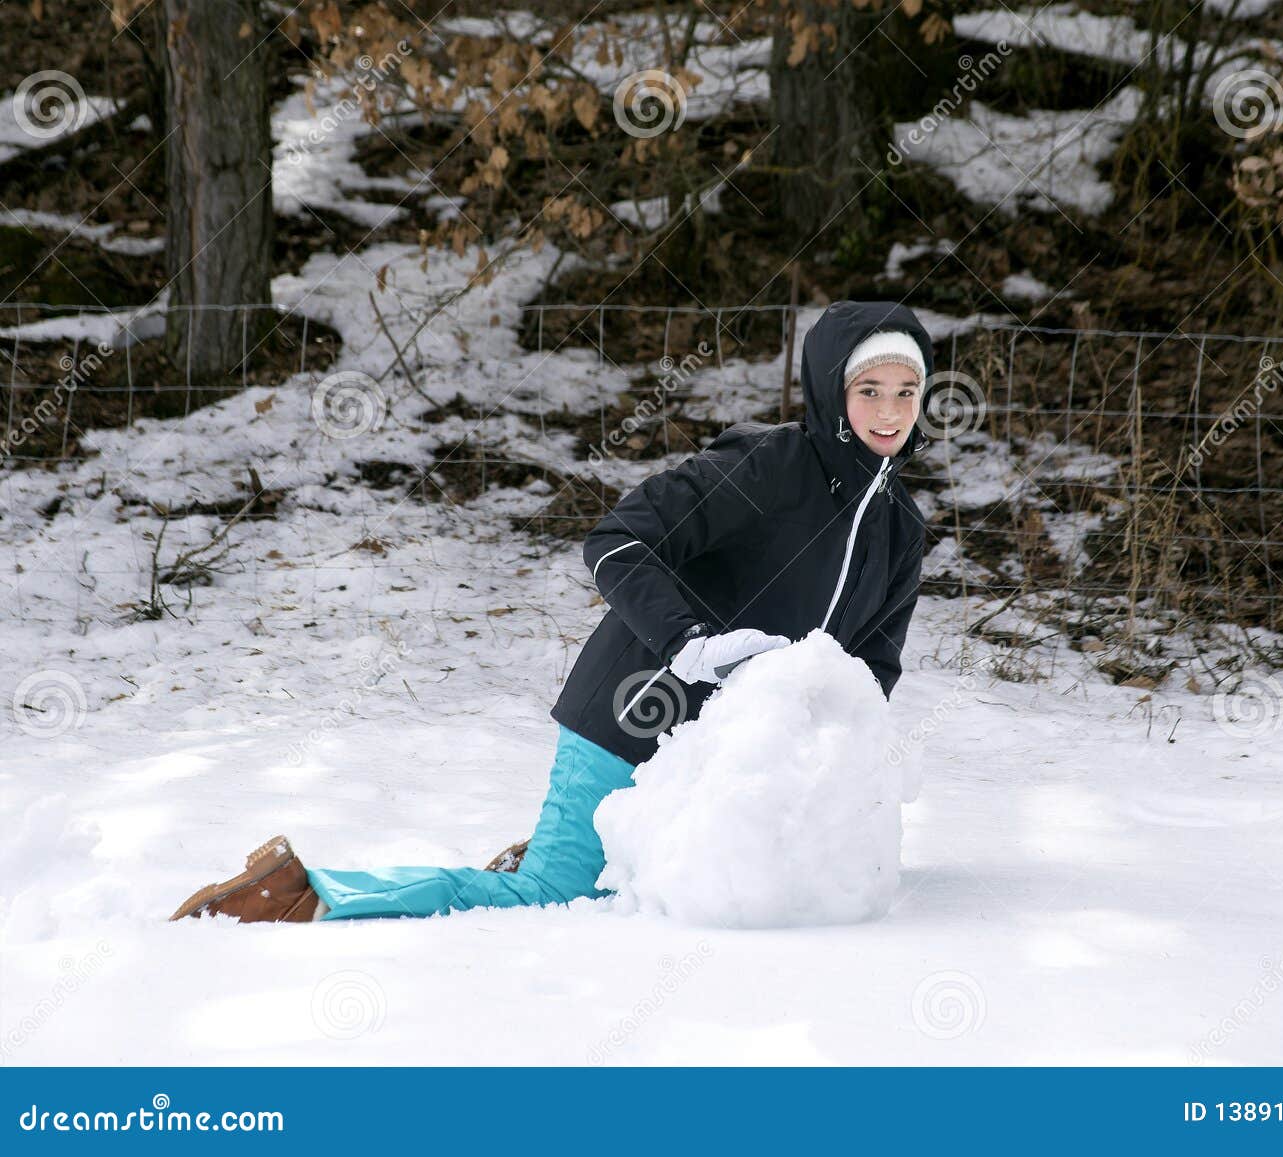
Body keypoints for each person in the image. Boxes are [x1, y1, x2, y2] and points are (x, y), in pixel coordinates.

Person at [169, 300, 933, 924]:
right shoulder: (770, 468)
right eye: (870, 389)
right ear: (832, 389)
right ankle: (303, 892)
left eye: (907, 391)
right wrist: (693, 646)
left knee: (662, 895)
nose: (889, 410)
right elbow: (617, 540)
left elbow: (872, 672)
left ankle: (545, 852)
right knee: (555, 897)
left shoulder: (902, 530)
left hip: (727, 760)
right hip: (633, 709)